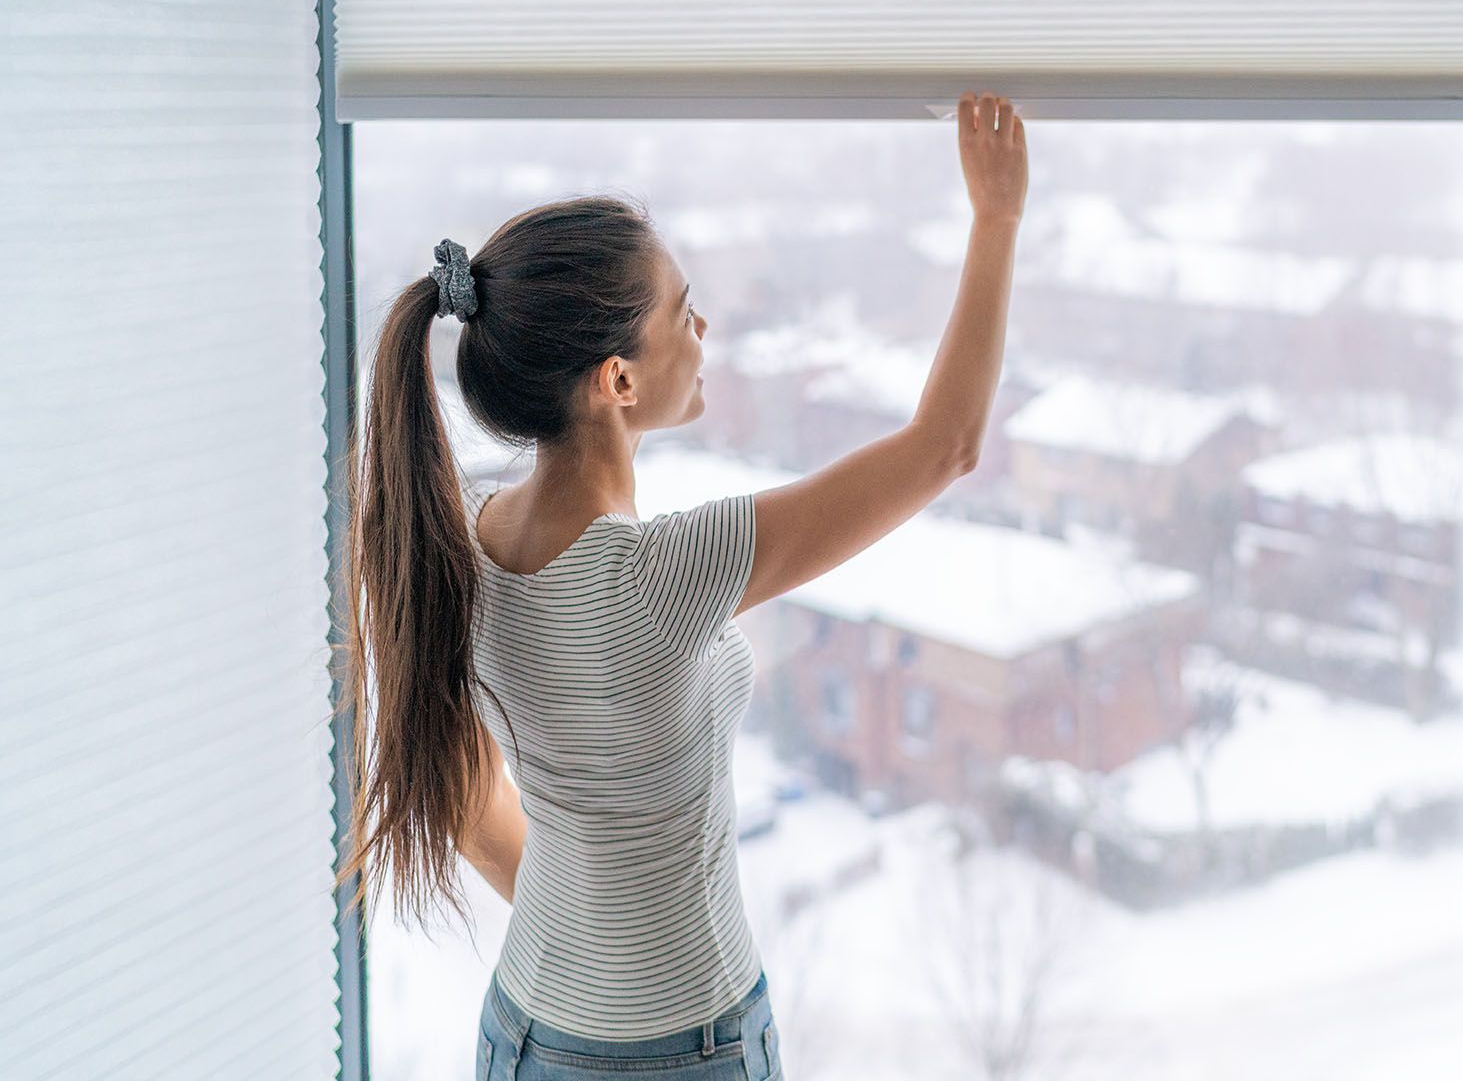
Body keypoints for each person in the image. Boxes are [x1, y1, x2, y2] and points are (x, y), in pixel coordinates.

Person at [330, 92, 1028, 1078]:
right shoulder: (659, 576)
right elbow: (945, 445)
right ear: (619, 380)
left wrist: (597, 939)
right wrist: (997, 217)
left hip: (524, 1029)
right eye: (680, 311)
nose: (704, 326)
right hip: (683, 1049)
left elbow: (470, 803)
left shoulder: (462, 541)